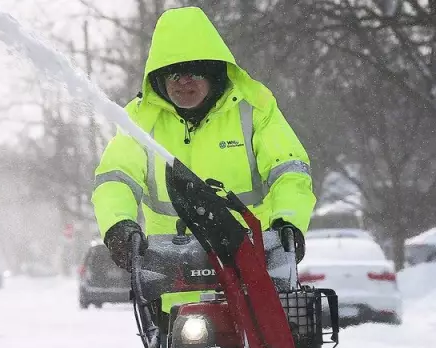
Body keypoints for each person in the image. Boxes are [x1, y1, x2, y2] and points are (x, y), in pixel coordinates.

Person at [91, 6, 316, 313]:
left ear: (213, 72)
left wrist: (288, 223)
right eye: (173, 73)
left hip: (255, 274)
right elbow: (116, 177)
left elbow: (289, 171)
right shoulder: (140, 121)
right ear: (158, 77)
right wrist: (118, 225)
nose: (183, 82)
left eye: (193, 72)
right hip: (172, 284)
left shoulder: (255, 109)